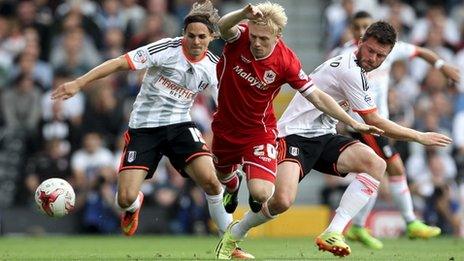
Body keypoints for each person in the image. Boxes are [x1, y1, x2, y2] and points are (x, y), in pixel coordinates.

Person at [215, 21, 452, 259]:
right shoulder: (349, 70)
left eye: (381, 55)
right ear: (360, 43)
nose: (373, 58)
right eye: (370, 51)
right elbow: (375, 121)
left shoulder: (361, 72)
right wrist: (419, 136)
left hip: (324, 135)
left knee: (376, 164)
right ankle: (235, 233)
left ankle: (333, 232)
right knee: (282, 201)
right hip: (294, 135)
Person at [52, 1, 251, 258]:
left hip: (180, 126)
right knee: (123, 198)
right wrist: (79, 82)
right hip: (144, 129)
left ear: (212, 36)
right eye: (191, 36)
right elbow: (119, 63)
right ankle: (134, 206)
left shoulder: (214, 65)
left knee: (212, 183)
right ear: (184, 34)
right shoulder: (166, 49)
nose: (196, 41)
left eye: (202, 36)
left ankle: (230, 244)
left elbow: (227, 106)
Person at [211, 2, 381, 224]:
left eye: (264, 38)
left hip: (258, 130)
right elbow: (223, 27)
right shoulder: (240, 37)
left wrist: (352, 122)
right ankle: (233, 184)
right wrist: (243, 13)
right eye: (254, 36)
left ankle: (250, 193)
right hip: (225, 126)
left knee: (262, 193)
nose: (256, 43)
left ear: (278, 35)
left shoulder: (286, 62)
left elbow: (317, 96)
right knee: (223, 175)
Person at [332, 11, 460, 250]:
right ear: (352, 30)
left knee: (376, 173)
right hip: (363, 124)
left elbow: (421, 52)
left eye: (365, 26)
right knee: (392, 167)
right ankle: (409, 222)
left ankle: (358, 226)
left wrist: (442, 66)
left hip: (382, 123)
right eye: (357, 27)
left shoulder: (389, 49)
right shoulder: (344, 57)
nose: (361, 31)